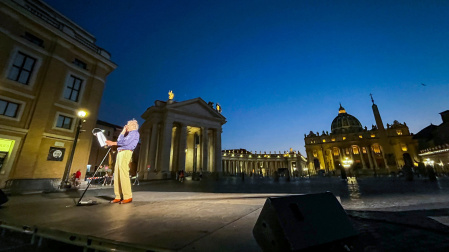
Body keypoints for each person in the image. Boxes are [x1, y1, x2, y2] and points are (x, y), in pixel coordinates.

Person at [106, 119, 140, 204]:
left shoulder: (135, 133)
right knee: (117, 174)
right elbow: (120, 140)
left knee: (123, 173)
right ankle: (118, 196)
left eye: (128, 125)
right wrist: (123, 131)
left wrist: (113, 143)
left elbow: (125, 142)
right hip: (120, 152)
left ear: (133, 126)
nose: (126, 126)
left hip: (126, 152)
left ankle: (127, 196)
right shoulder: (127, 134)